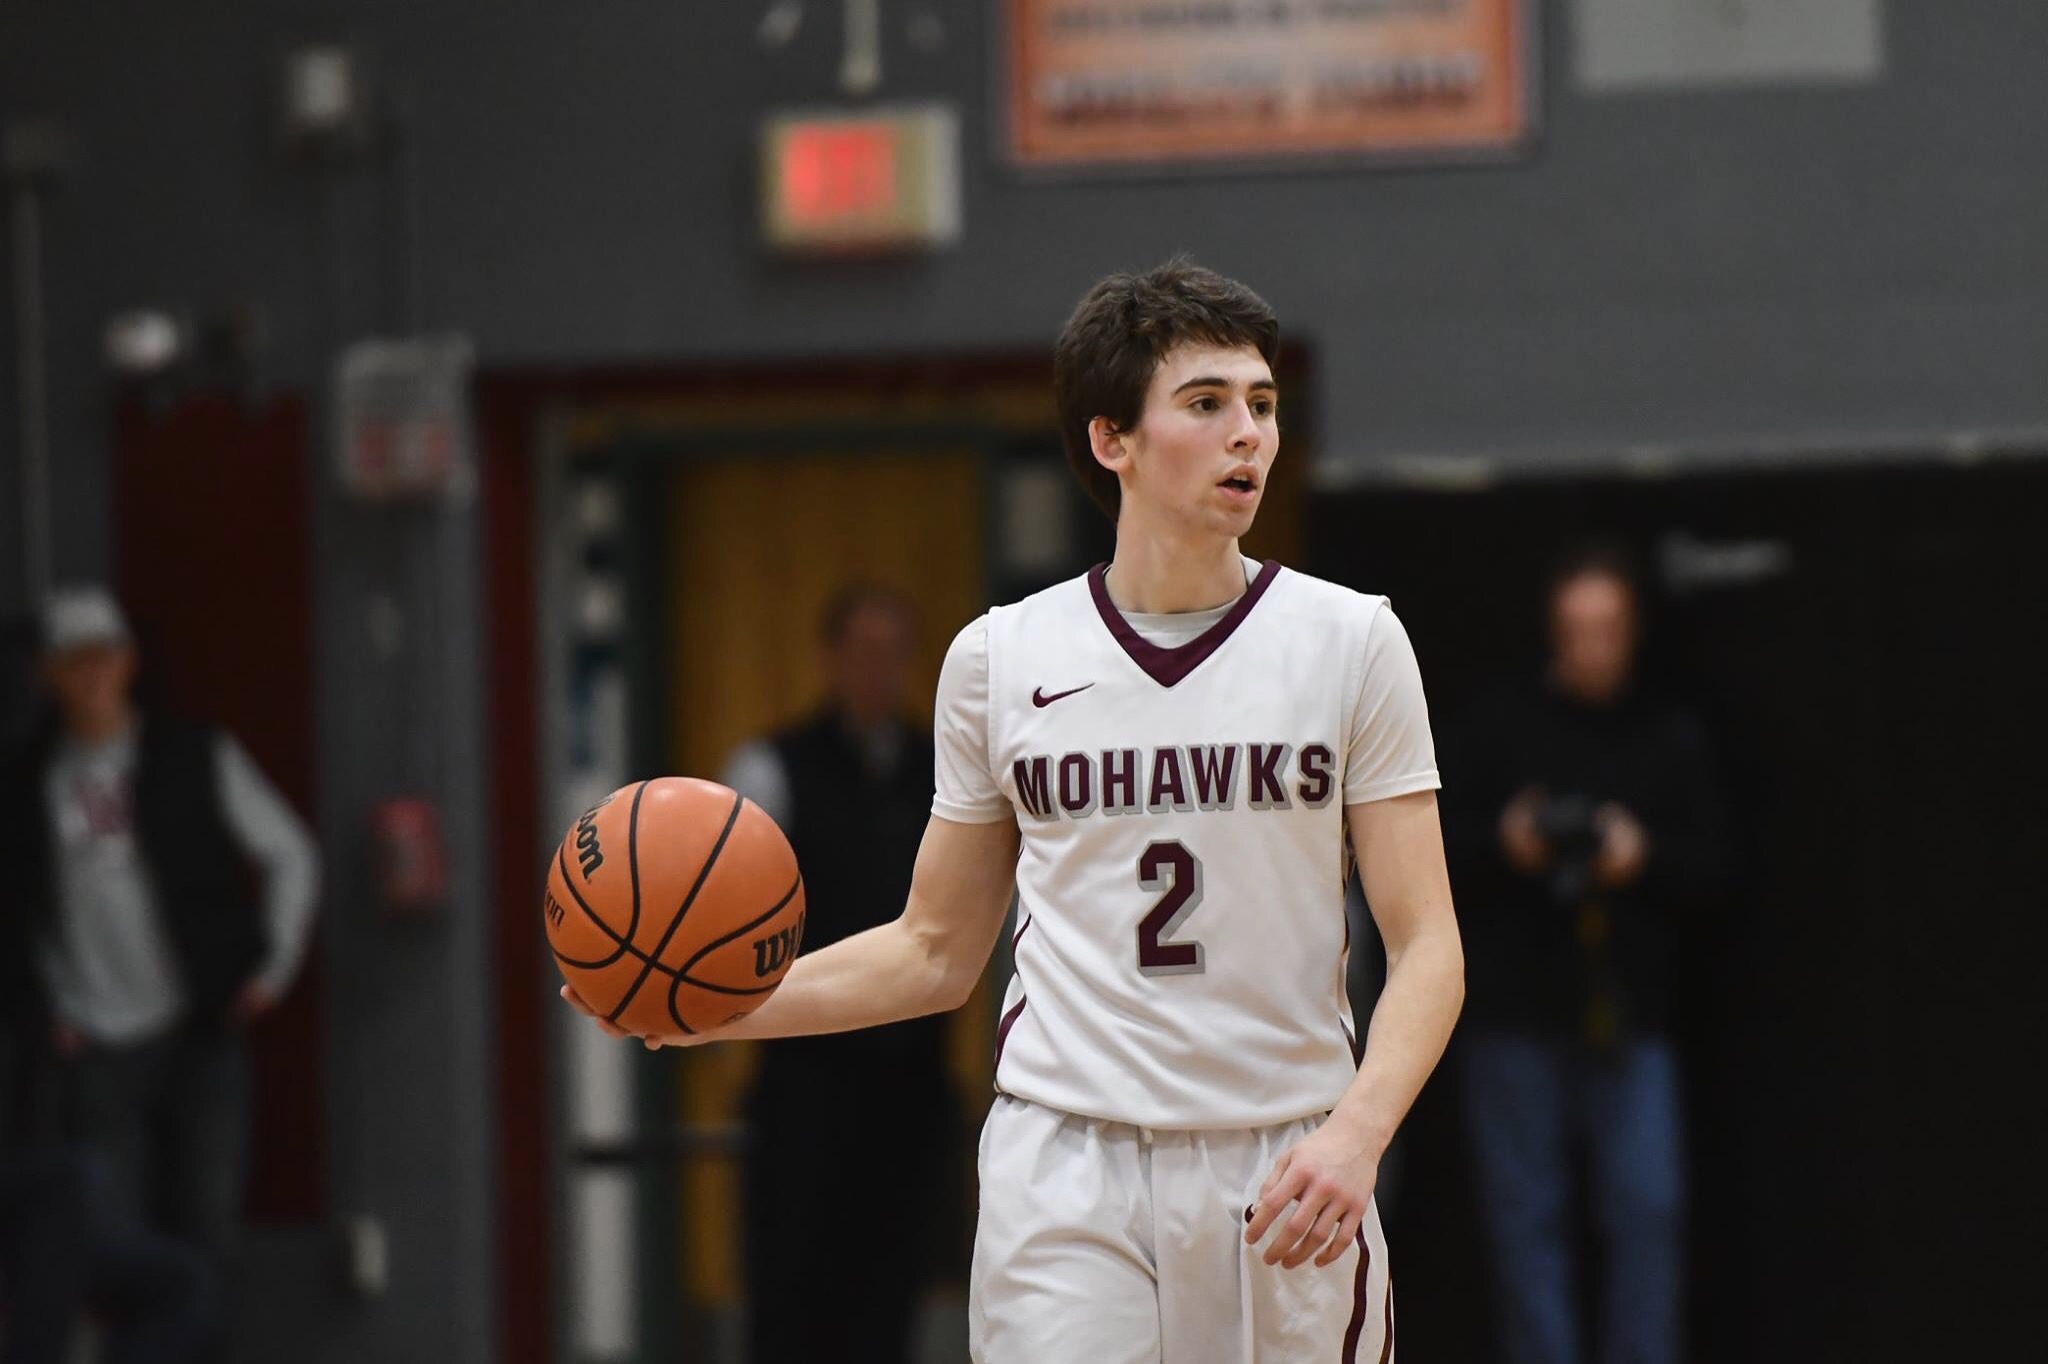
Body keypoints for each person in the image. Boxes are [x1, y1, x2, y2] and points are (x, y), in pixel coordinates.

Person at [564, 260, 1465, 1362]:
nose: (1248, 435)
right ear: (1110, 440)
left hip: (1283, 1158)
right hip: (1065, 1162)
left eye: (1262, 405)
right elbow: (933, 949)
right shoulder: (999, 659)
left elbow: (1428, 944)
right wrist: (704, 1005)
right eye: (1206, 403)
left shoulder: (1352, 642)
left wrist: (1358, 1133)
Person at [1443, 547, 1726, 1364]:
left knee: (1649, 1213)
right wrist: (1509, 841)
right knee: (1525, 1222)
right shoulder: (1499, 725)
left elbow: (1719, 868)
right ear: (1551, 634)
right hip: (1514, 1016)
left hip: (1631, 1017)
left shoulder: (1669, 732)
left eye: (1606, 630)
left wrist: (1641, 857)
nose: (1591, 648)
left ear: (1632, 633)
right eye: (1575, 631)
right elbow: (1429, 858)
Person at [0, 586, 321, 1266]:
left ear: (129, 661)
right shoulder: (29, 785)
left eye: (103, 655)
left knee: (208, 1228)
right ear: (46, 674)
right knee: (115, 1240)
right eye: (71, 660)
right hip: (95, 1042)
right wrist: (47, 1005)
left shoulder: (191, 754)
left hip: (196, 1025)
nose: (91, 674)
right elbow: (22, 909)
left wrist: (271, 968)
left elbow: (290, 852)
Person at [718, 585, 955, 1364]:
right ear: (829, 659)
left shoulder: (947, 771)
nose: (877, 671)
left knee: (889, 1297)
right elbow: (721, 909)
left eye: (893, 653)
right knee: (791, 1294)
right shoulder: (772, 765)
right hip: (805, 1084)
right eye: (862, 652)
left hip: (910, 1080)